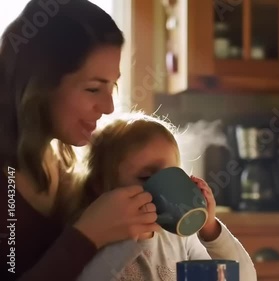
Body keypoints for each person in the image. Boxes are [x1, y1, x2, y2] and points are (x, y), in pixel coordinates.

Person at [0, 1, 160, 280]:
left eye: (113, 86)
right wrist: (88, 234)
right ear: (39, 86)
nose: (109, 106)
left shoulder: (61, 164)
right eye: (93, 88)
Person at [72, 112, 257, 281]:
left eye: (171, 174)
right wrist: (132, 238)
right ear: (102, 187)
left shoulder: (179, 236)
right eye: (145, 177)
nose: (163, 188)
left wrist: (210, 230)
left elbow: (244, 278)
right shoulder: (95, 235)